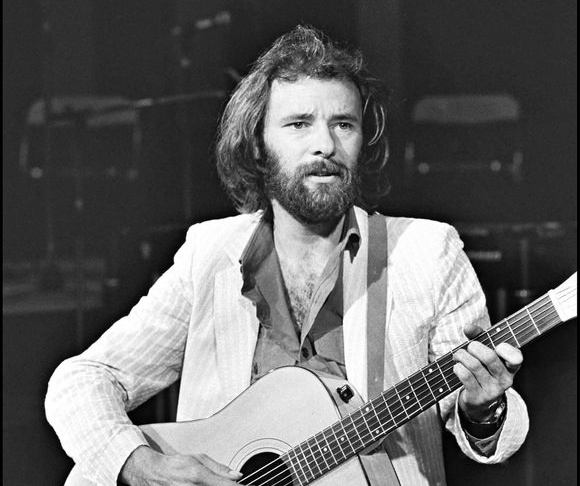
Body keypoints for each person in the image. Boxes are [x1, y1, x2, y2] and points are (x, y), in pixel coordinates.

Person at [46, 25, 529, 486]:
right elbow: (83, 379)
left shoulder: (425, 252)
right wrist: (138, 464)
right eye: (299, 124)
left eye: (344, 124)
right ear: (257, 144)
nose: (325, 145)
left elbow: (486, 432)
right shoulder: (210, 254)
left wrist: (483, 409)